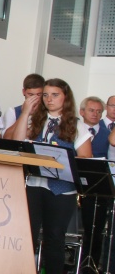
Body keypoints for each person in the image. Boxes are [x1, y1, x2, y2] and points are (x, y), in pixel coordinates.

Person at [10, 78, 92, 274]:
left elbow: (85, 158)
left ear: (66, 97)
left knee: (54, 238)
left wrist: (63, 161)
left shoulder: (77, 126)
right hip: (35, 184)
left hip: (62, 190)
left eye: (55, 95)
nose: (49, 99)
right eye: (45, 95)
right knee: (26, 235)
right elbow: (18, 140)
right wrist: (25, 113)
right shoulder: (36, 120)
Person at [77, 96, 108, 271]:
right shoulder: (73, 129)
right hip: (74, 184)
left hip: (96, 187)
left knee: (94, 228)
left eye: (99, 111)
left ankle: (91, 265)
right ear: (82, 112)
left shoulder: (107, 132)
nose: (95, 114)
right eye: (91, 110)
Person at [2, 73, 45, 139]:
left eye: (39, 95)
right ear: (24, 92)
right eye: (30, 95)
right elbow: (6, 138)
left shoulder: (48, 112)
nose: (34, 99)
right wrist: (24, 113)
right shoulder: (13, 112)